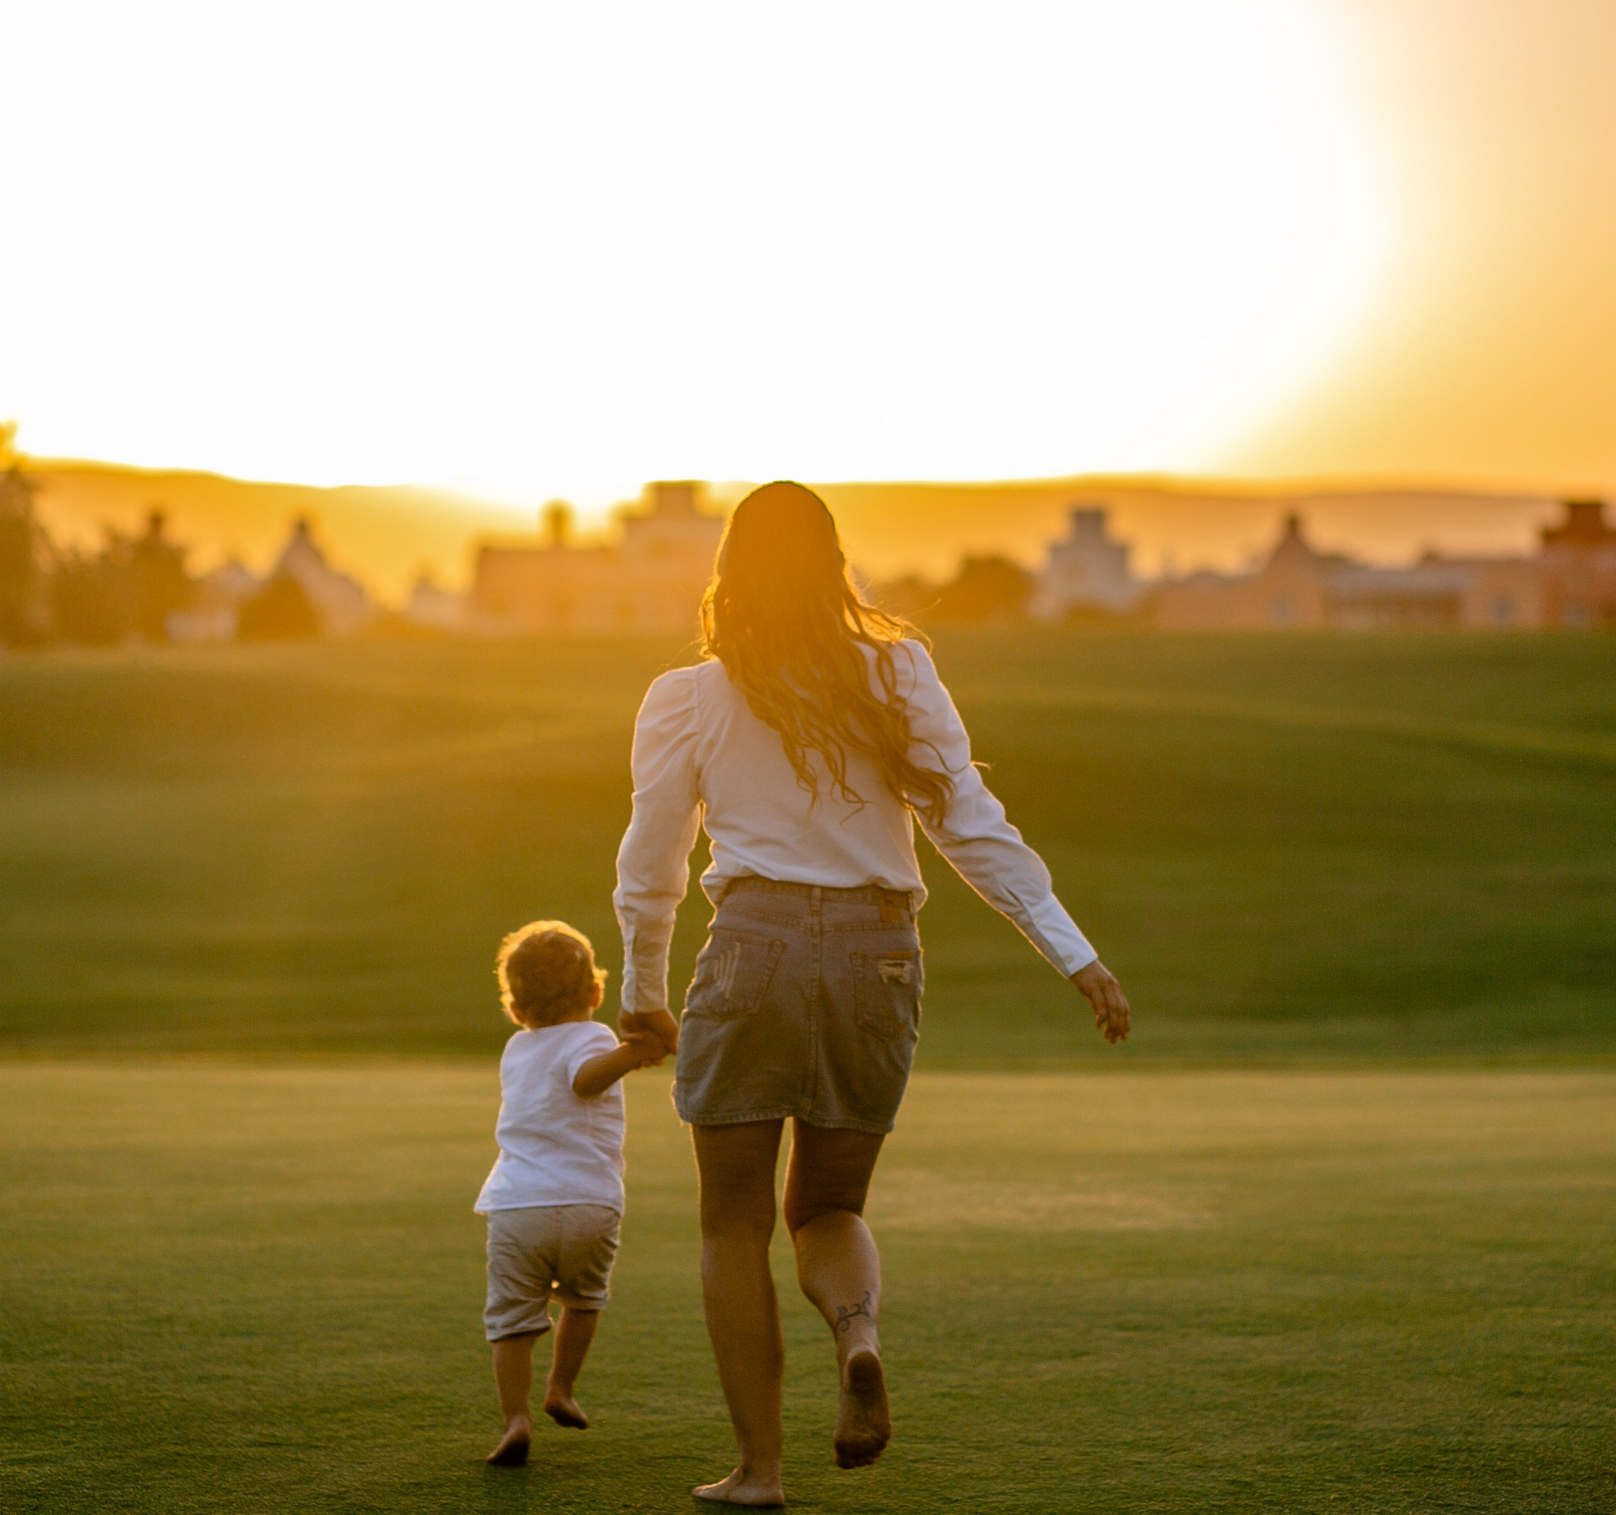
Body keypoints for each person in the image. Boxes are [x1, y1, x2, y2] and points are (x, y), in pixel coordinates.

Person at [614, 481, 1132, 1506]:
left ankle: (758, 1473)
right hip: (877, 949)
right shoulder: (897, 667)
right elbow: (970, 824)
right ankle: (858, 1340)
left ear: (726, 569)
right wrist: (1076, 955)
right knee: (831, 1203)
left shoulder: (687, 695)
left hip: (753, 946)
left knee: (732, 1221)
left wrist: (640, 986)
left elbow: (652, 858)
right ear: (834, 560)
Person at [473, 920, 669, 1468]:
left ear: (516, 1007)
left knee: (511, 1323)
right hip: (589, 1203)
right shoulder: (593, 1036)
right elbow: (584, 1080)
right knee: (583, 1301)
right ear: (595, 992)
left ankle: (516, 1419)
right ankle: (561, 1387)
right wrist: (637, 1052)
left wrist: (631, 1054)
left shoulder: (515, 1049)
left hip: (517, 1206)